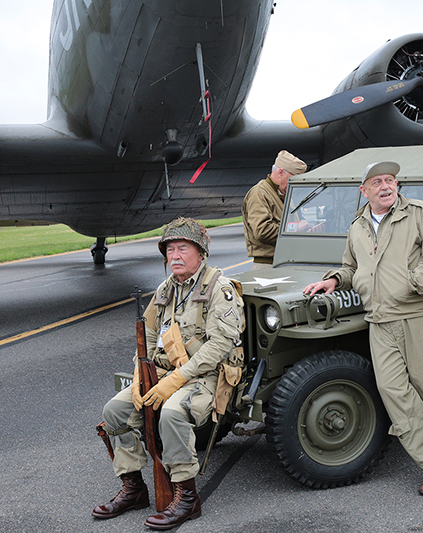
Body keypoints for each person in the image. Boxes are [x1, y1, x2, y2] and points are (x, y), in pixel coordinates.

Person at [304, 161, 423, 497]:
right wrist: (334, 280)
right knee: (395, 393)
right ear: (364, 190)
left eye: (390, 180)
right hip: (379, 320)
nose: (386, 186)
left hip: (418, 315)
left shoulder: (419, 214)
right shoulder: (358, 226)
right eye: (377, 182)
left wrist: (413, 284)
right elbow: (351, 267)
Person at [92, 217, 243, 529]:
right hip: (162, 371)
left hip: (206, 376)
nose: (175, 255)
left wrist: (177, 379)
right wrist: (138, 375)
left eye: (182, 248)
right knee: (116, 411)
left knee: (172, 412)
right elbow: (147, 336)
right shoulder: (166, 289)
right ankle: (134, 488)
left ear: (200, 253)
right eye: (170, 249)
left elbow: (220, 344)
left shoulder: (220, 289)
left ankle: (187, 498)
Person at [242, 150, 308, 268]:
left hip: (285, 262)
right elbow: (262, 231)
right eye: (292, 180)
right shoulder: (260, 193)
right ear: (281, 172)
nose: (295, 185)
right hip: (268, 265)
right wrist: (295, 228)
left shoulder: (284, 195)